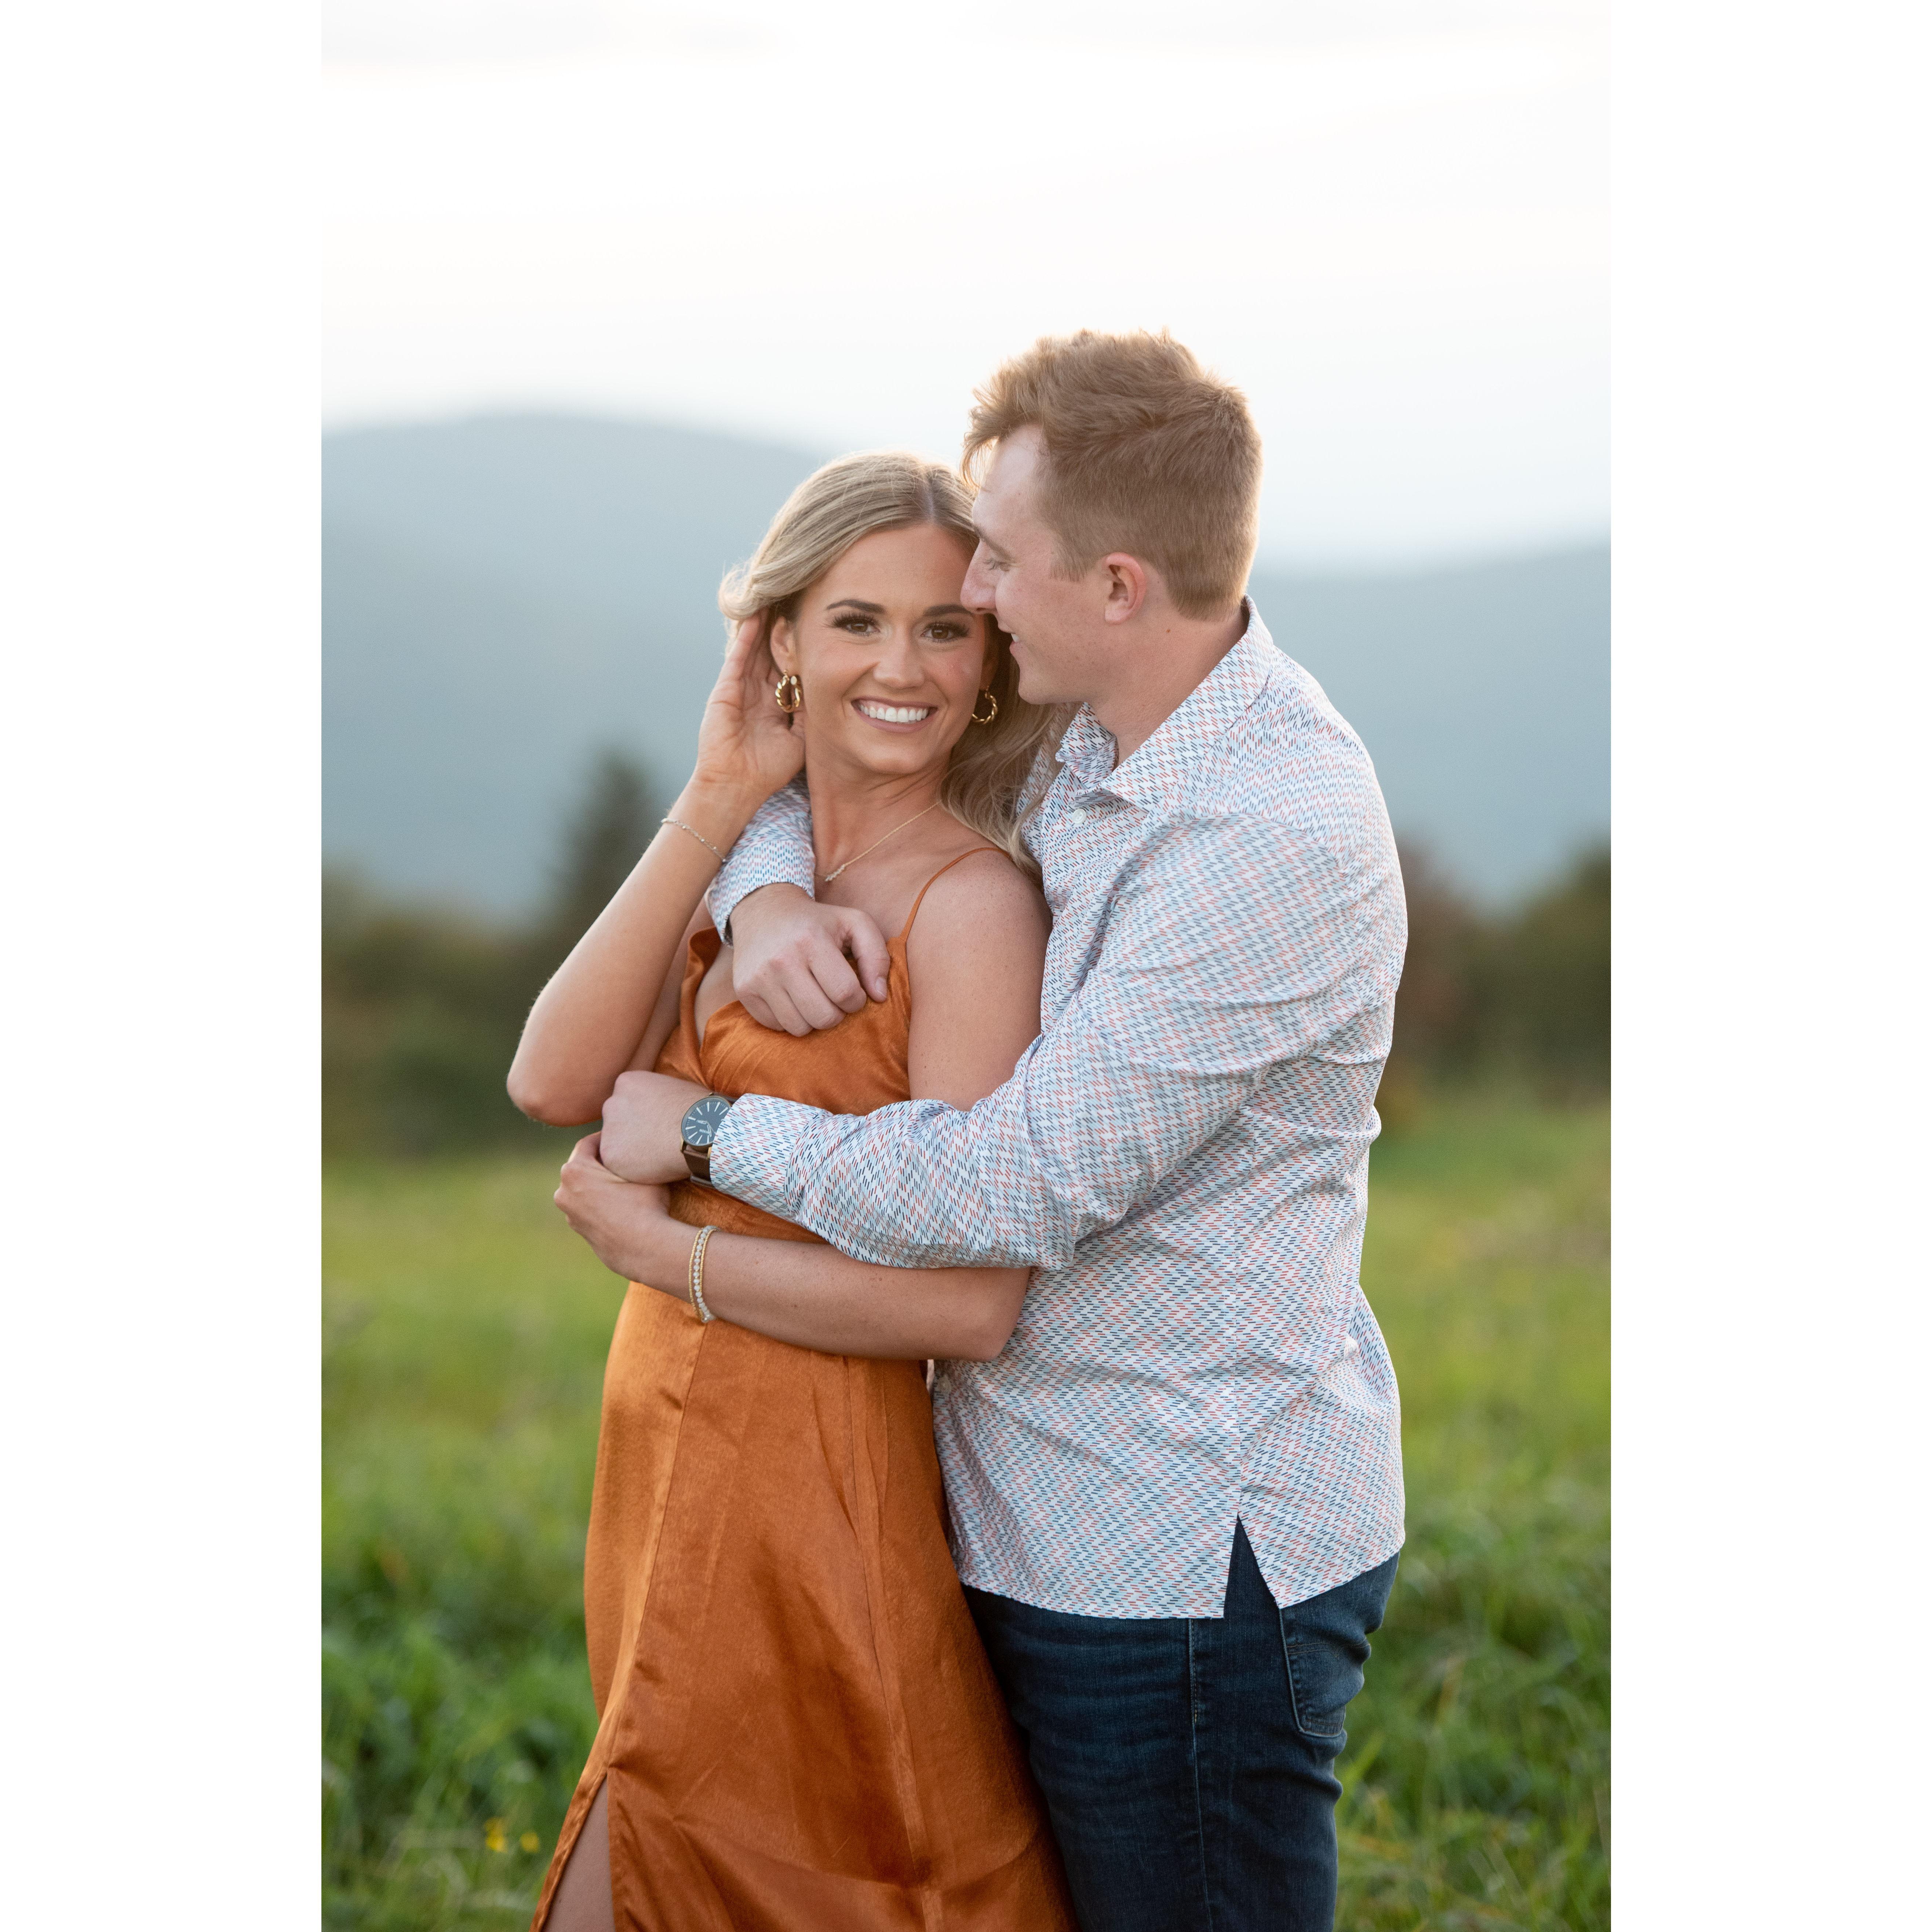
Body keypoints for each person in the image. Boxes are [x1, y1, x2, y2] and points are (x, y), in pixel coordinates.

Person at [561, 330, 1409, 1932]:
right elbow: (842, 774)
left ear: (1115, 586)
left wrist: (706, 1143)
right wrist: (763, 897)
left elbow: (1010, 1190)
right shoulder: (1086, 747)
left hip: (1176, 1558)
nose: (981, 609)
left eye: (1002, 571)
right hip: (1009, 1508)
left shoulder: (1271, 838)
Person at [509, 451, 1077, 1932]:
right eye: (855, 622)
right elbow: (556, 1080)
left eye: (945, 629)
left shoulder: (974, 911)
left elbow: (968, 1303)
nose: (904, 667)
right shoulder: (751, 870)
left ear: (991, 661)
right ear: (779, 644)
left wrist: (665, 1253)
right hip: (661, 1457)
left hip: (821, 1490)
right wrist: (720, 799)